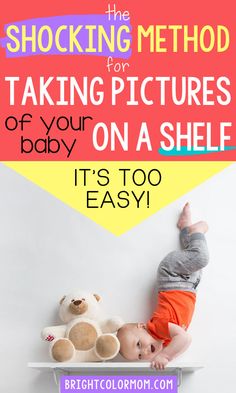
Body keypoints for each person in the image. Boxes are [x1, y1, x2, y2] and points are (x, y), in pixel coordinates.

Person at [117, 203, 209, 369]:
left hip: (171, 276)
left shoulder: (157, 327)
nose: (144, 352)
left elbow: (185, 338)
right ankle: (185, 228)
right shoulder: (166, 339)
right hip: (187, 284)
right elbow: (182, 339)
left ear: (142, 326)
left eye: (138, 344)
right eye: (139, 356)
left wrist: (166, 356)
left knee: (201, 258)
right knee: (194, 259)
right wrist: (166, 352)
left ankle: (197, 231)